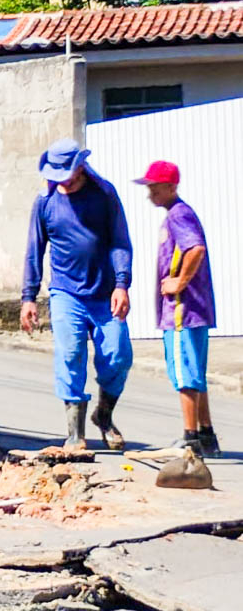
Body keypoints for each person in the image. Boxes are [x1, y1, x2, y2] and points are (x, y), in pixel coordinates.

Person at [21, 138, 133, 450]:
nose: (59, 181)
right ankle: (75, 432)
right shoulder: (45, 202)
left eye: (65, 174)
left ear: (80, 168)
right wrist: (28, 297)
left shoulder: (104, 194)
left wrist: (122, 283)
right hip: (65, 293)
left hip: (105, 293)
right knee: (70, 354)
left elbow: (120, 241)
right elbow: (34, 250)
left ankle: (104, 415)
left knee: (119, 355)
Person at [135, 160, 221, 457]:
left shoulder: (178, 215)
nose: (150, 194)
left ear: (170, 187)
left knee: (185, 375)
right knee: (194, 372)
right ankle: (207, 434)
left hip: (183, 312)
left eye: (154, 188)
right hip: (191, 311)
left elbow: (195, 249)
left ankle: (191, 437)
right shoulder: (177, 214)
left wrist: (179, 282)